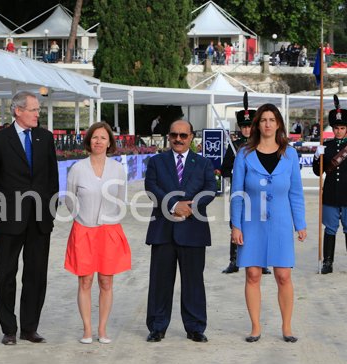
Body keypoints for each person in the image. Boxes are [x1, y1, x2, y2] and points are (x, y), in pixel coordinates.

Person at [0, 91, 59, 345]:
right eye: (33, 110)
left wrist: (50, 212)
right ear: (18, 111)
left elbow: (52, 179)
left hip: (39, 220)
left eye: (38, 110)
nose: (38, 114)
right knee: (6, 275)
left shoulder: (45, 138)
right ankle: (9, 329)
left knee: (36, 275)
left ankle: (29, 328)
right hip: (7, 220)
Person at [230, 103, 306, 343]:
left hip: (281, 223)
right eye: (263, 120)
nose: (268, 124)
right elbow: (237, 193)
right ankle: (255, 327)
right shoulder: (244, 154)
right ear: (257, 124)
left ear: (279, 124)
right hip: (251, 222)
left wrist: (300, 224)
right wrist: (235, 225)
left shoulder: (290, 154)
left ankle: (287, 327)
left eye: (272, 120)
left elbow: (296, 192)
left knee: (283, 275)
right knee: (253, 274)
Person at [145, 119, 216, 344]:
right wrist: (174, 205)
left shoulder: (203, 163)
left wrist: (191, 207)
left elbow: (211, 189)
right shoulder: (156, 162)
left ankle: (195, 327)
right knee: (160, 282)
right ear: (168, 136)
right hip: (162, 230)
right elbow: (151, 187)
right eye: (174, 135)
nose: (178, 139)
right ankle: (157, 327)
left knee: (193, 282)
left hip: (193, 229)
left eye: (183, 135)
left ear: (191, 137)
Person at [64, 121, 131, 344]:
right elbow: (69, 199)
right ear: (89, 141)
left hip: (109, 230)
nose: (99, 141)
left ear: (109, 142)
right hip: (84, 230)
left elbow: (120, 198)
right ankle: (87, 330)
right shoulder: (77, 168)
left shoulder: (118, 169)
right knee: (85, 281)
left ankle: (102, 329)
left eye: (103, 137)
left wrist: (110, 219)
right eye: (95, 137)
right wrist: (81, 217)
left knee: (106, 281)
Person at [220, 93, 271, 275]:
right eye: (244, 127)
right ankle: (234, 261)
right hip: (240, 192)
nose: (247, 130)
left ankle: (262, 262)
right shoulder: (234, 146)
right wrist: (234, 171)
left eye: (249, 126)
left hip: (259, 192)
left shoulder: (263, 144)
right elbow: (224, 169)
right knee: (236, 223)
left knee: (261, 224)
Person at [312, 95, 347, 274]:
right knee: (330, 229)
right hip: (331, 194)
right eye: (336, 128)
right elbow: (318, 172)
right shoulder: (327, 146)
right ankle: (327, 262)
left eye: (342, 128)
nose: (339, 131)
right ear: (332, 128)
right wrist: (317, 157)